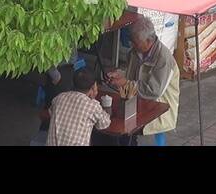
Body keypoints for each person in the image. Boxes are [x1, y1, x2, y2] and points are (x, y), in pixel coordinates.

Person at [107, 17, 179, 146]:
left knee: (131, 131)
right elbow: (131, 75)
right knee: (120, 129)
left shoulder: (164, 59)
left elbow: (153, 92)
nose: (132, 45)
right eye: (132, 42)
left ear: (149, 40)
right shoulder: (135, 52)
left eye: (136, 42)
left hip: (158, 107)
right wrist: (119, 75)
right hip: (136, 103)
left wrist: (125, 83)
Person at [45, 68, 110, 146]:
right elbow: (104, 124)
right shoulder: (93, 105)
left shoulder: (59, 98)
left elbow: (51, 113)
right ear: (93, 87)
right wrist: (94, 99)